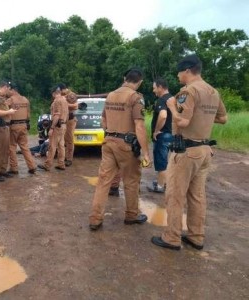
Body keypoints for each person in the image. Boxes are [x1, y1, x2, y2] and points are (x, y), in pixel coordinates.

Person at [151, 54, 227, 251]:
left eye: (179, 72)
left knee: (175, 195)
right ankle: (196, 236)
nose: (177, 76)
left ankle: (172, 237)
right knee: (197, 196)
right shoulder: (213, 91)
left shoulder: (188, 91)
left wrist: (172, 108)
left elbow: (182, 121)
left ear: (187, 71)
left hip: (186, 151)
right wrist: (202, 118)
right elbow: (223, 118)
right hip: (204, 150)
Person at [89, 68, 151, 230]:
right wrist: (145, 152)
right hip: (126, 145)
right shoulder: (135, 97)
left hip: (108, 142)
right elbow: (139, 125)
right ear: (140, 82)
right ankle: (131, 215)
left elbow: (103, 119)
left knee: (103, 181)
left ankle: (95, 218)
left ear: (125, 78)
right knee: (131, 181)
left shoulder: (110, 95)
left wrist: (110, 133)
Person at [147, 78, 173, 193]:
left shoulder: (162, 100)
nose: (153, 91)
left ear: (160, 87)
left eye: (154, 88)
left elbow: (163, 116)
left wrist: (156, 131)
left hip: (162, 136)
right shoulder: (173, 99)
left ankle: (161, 186)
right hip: (171, 134)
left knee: (161, 161)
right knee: (165, 160)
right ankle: (163, 182)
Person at [7, 83, 37, 174]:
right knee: (25, 147)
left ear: (13, 90)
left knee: (12, 147)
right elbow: (28, 114)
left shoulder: (10, 100)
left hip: (14, 126)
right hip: (24, 125)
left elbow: (3, 110)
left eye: (9, 90)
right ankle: (32, 166)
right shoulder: (25, 99)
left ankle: (14, 168)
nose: (8, 92)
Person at [37, 87, 69, 171]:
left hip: (57, 126)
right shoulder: (64, 100)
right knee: (61, 146)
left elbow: (57, 115)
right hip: (64, 125)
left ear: (54, 93)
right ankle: (61, 164)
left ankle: (47, 165)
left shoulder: (57, 101)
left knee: (52, 146)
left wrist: (52, 128)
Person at [58, 83, 78, 167]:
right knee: (65, 139)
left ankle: (69, 159)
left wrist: (63, 104)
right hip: (64, 120)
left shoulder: (71, 95)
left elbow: (75, 106)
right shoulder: (62, 96)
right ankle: (66, 157)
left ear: (63, 89)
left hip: (70, 119)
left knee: (69, 140)